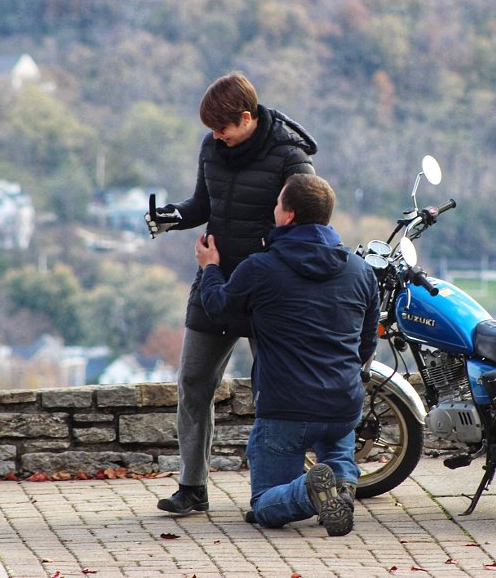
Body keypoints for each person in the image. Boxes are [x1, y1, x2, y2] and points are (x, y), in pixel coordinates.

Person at [147, 73, 318, 516]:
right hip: (215, 280)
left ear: (246, 117)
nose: (217, 137)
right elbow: (203, 205)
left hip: (269, 291)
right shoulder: (212, 148)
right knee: (192, 382)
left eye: (223, 129)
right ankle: (192, 487)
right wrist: (172, 216)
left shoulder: (291, 157)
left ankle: (276, 493)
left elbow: (309, 222)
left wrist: (272, 262)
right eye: (211, 131)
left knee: (274, 394)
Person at [193, 173, 379, 536]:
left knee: (264, 504)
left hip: (285, 406)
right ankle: (339, 488)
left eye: (278, 203)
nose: (274, 208)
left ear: (288, 215)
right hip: (342, 401)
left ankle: (309, 492)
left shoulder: (260, 267)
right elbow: (367, 341)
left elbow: (218, 306)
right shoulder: (360, 271)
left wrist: (209, 268)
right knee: (338, 450)